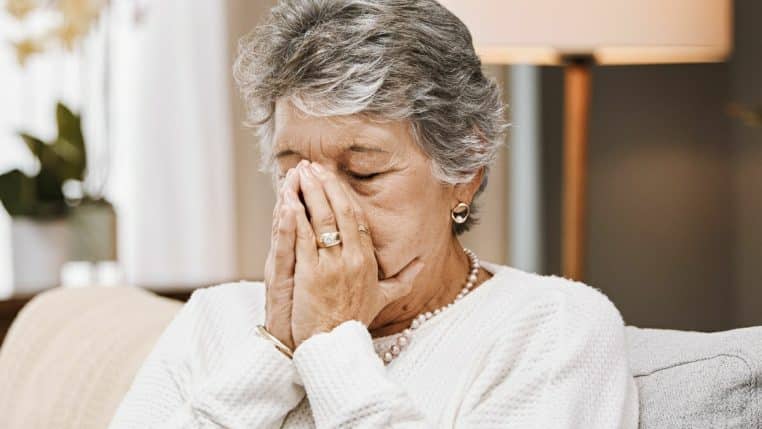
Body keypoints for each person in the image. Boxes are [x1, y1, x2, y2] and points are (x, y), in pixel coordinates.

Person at [108, 0, 639, 427]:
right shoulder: (214, 317)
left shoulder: (554, 328)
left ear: (464, 170)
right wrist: (275, 349)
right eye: (294, 173)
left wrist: (330, 344)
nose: (321, 209)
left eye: (362, 173)